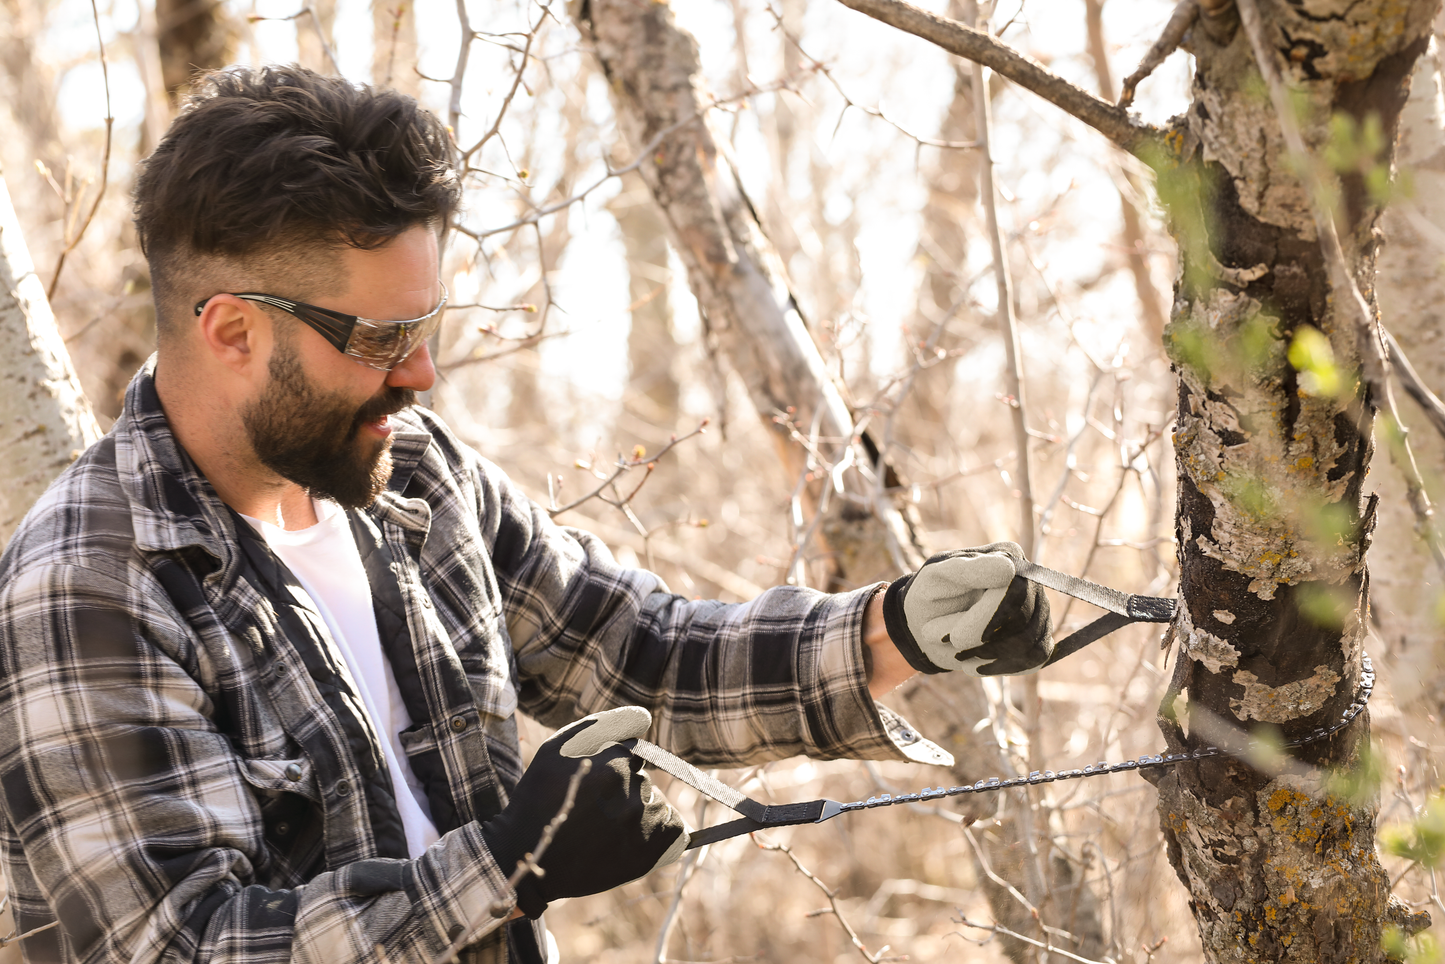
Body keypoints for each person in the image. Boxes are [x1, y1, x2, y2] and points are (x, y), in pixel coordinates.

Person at [0, 66, 1052, 964]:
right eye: (379, 337)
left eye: (428, 324)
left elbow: (642, 655)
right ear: (231, 329)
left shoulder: (411, 474)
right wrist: (507, 862)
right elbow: (185, 945)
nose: (422, 371)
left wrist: (897, 630)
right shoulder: (90, 585)